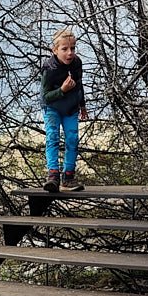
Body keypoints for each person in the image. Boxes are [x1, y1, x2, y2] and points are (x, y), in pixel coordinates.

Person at [41, 27, 89, 192]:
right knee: (53, 137)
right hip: (52, 108)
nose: (70, 53)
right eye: (65, 49)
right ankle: (53, 176)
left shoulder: (77, 63)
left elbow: (80, 84)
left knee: (72, 139)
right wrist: (62, 90)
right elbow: (46, 96)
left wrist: (82, 105)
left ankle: (68, 177)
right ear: (54, 50)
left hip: (71, 108)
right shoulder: (49, 68)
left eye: (73, 48)